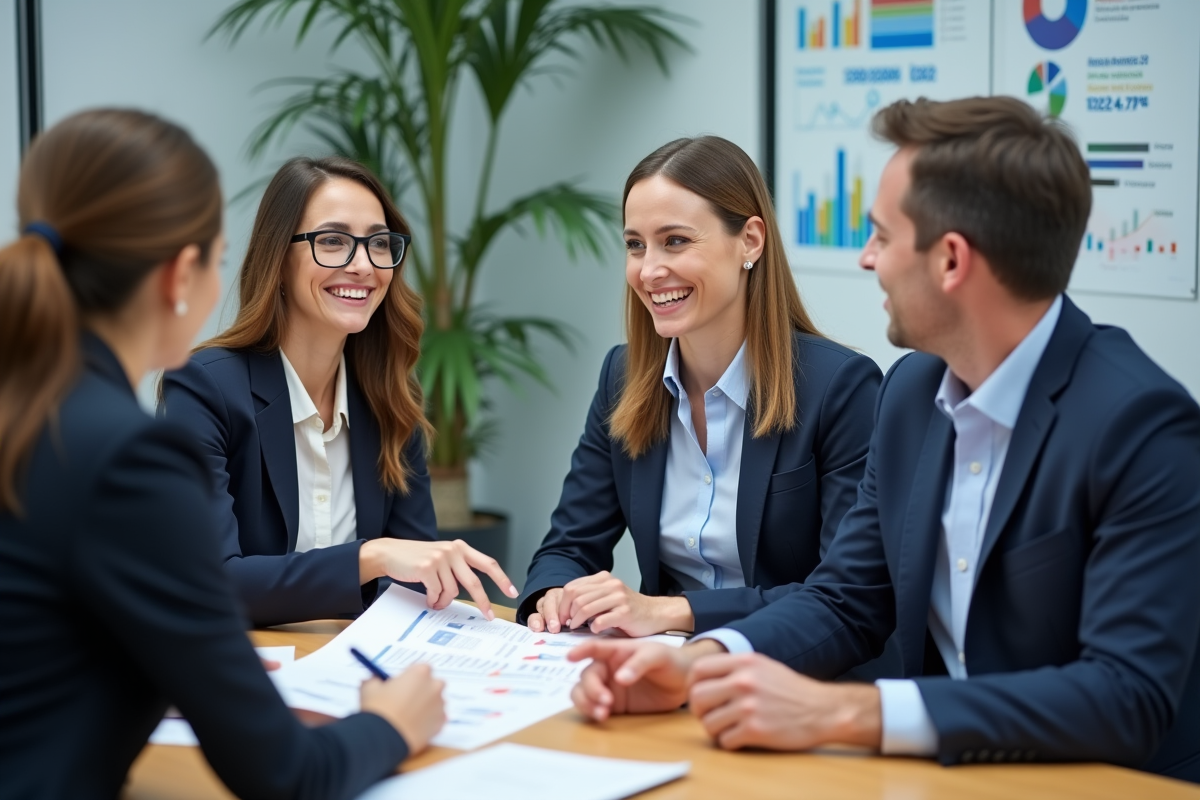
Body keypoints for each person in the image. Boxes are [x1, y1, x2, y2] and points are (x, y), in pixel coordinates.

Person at [566, 96, 1200, 782]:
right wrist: (696, 665)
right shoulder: (911, 395)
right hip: (946, 774)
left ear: (951, 260)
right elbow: (846, 598)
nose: (867, 259)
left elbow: (1126, 696)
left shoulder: (1140, 425)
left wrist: (847, 714)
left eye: (883, 236)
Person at [0, 109, 446, 799]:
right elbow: (287, 774)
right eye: (219, 255)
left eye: (378, 243)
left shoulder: (37, 415)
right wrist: (391, 725)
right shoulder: (130, 456)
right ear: (183, 273)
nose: (361, 263)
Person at [518, 136, 881, 639]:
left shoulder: (839, 387)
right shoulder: (622, 378)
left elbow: (844, 594)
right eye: (635, 245)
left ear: (750, 241)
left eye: (675, 241)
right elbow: (567, 547)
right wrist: (556, 593)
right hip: (660, 660)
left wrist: (672, 612)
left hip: (789, 667)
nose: (649, 271)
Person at [161, 156, 517, 627]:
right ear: (278, 258)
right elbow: (209, 583)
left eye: (378, 243)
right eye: (332, 241)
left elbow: (416, 580)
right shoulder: (204, 388)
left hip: (359, 660)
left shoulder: (391, 398)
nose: (363, 265)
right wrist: (370, 557)